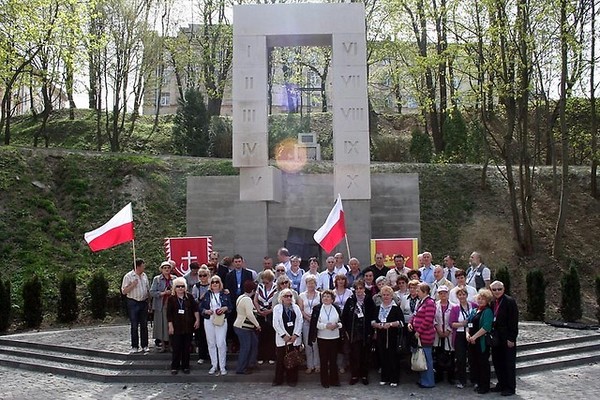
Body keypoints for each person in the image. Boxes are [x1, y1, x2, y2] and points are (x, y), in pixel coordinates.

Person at [342, 279, 375, 385]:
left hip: (366, 331)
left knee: (365, 354)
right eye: (356, 289)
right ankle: (354, 375)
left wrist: (372, 331)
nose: (359, 290)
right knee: (354, 355)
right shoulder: (350, 300)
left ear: (364, 289)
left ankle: (364, 375)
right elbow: (345, 317)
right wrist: (346, 330)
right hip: (354, 332)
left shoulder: (369, 300)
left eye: (361, 288)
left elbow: (373, 315)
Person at [308, 289, 343, 388]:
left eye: (328, 296)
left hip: (334, 337)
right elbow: (315, 324)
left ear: (332, 299)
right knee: (323, 360)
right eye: (324, 296)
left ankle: (334, 380)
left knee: (333, 360)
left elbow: (342, 322)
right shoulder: (317, 308)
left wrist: (336, 325)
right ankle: (324, 381)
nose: (326, 298)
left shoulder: (336, 308)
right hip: (322, 337)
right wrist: (325, 326)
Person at [490, 280, 519, 396]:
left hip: (507, 337)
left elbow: (513, 321)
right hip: (496, 337)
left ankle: (510, 387)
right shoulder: (493, 302)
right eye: (494, 289)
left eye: (499, 289)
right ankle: (501, 384)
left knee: (508, 363)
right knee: (497, 362)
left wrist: (512, 338)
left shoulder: (510, 301)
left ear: (504, 289)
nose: (497, 291)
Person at [372, 285, 405, 387]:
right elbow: (372, 321)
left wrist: (390, 324)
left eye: (388, 295)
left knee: (393, 357)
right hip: (381, 335)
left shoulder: (396, 309)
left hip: (392, 335)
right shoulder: (377, 308)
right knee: (383, 356)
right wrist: (377, 325)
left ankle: (394, 378)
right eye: (384, 295)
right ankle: (384, 377)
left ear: (392, 296)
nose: (386, 297)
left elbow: (401, 323)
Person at [167, 277, 200, 375]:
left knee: (186, 348)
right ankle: (175, 366)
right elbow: (169, 314)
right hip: (176, 326)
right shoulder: (171, 299)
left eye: (182, 286)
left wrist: (197, 320)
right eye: (178, 286)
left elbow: (195, 309)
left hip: (188, 326)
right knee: (176, 347)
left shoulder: (189, 297)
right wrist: (170, 325)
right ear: (174, 288)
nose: (180, 288)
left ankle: (186, 366)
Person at [199, 275, 231, 376]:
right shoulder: (207, 294)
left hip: (221, 319)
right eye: (213, 282)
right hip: (209, 319)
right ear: (210, 284)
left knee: (221, 343)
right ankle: (214, 365)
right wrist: (206, 311)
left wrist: (225, 308)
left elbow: (230, 306)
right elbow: (200, 307)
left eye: (217, 282)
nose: (215, 284)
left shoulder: (225, 294)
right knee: (211, 343)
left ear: (220, 283)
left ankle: (222, 366)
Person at [272, 288, 303, 387]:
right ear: (282, 298)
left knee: (293, 359)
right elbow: (276, 323)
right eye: (286, 296)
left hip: (294, 338)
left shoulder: (296, 307)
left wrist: (295, 335)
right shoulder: (277, 308)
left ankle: (292, 380)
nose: (288, 298)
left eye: (290, 296)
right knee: (281, 359)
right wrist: (284, 335)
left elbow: (300, 321)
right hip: (283, 339)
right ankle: (278, 380)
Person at [408, 282, 436, 389]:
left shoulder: (429, 303)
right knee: (420, 357)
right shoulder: (421, 302)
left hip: (426, 335)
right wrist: (411, 323)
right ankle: (423, 379)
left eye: (418, 291)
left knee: (426, 358)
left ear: (424, 292)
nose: (416, 292)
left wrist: (419, 331)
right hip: (418, 335)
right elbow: (415, 314)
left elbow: (428, 319)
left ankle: (428, 381)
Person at [466, 288, 494, 394]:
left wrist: (475, 337)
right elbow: (468, 323)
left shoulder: (487, 311)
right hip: (471, 341)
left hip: (481, 341)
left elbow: (486, 326)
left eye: (483, 299)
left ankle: (484, 386)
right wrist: (468, 335)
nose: (480, 301)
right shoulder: (474, 310)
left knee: (483, 363)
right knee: (474, 362)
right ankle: (477, 382)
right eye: (479, 298)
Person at [449, 286, 477, 389]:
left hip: (472, 334)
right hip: (460, 335)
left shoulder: (473, 306)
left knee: (473, 358)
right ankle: (462, 381)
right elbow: (452, 324)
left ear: (467, 295)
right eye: (459, 295)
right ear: (457, 296)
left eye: (463, 294)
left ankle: (475, 380)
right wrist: (462, 323)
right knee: (460, 359)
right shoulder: (455, 308)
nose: (462, 296)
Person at [121, 259, 150, 354]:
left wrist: (149, 302)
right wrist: (132, 285)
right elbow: (124, 291)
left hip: (143, 302)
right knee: (134, 325)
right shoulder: (128, 276)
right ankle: (134, 346)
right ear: (137, 266)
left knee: (144, 325)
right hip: (133, 302)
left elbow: (147, 289)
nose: (144, 267)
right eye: (143, 265)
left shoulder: (144, 275)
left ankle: (145, 345)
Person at [233, 280, 261, 375]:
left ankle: (251, 363)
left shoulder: (241, 297)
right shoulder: (247, 299)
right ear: (253, 290)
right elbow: (249, 314)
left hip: (243, 326)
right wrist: (257, 325)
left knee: (254, 343)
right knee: (246, 347)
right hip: (243, 326)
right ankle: (241, 368)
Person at [150, 261, 176, 353]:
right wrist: (163, 293)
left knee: (171, 325)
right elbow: (152, 292)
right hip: (160, 305)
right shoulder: (157, 279)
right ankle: (163, 345)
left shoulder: (174, 278)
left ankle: (171, 345)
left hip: (172, 305)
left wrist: (172, 292)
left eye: (168, 268)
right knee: (161, 325)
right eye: (165, 268)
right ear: (161, 269)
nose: (167, 269)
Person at [298, 275, 321, 374]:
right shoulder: (301, 295)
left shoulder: (320, 294)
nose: (310, 285)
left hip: (317, 322)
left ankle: (317, 365)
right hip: (306, 322)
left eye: (312, 283)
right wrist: (307, 318)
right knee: (307, 344)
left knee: (316, 344)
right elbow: (300, 309)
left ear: (315, 284)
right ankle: (309, 365)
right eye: (309, 283)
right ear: (306, 284)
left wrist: (314, 319)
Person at [254, 269, 277, 365]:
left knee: (271, 336)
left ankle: (271, 356)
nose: (264, 283)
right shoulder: (259, 287)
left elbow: (277, 301)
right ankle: (261, 356)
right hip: (261, 314)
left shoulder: (276, 288)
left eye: (266, 282)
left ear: (271, 280)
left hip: (271, 314)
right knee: (261, 336)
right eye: (263, 281)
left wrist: (270, 311)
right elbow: (255, 300)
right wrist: (259, 310)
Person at [433, 285, 455, 384]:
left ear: (448, 294)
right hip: (438, 333)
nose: (443, 295)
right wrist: (438, 329)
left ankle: (451, 377)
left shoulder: (454, 306)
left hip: (449, 334)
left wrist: (448, 330)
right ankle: (439, 376)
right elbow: (433, 319)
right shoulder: (434, 305)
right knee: (438, 355)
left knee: (450, 355)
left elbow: (454, 319)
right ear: (438, 294)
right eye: (441, 293)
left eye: (444, 293)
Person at [333, 274, 352, 374]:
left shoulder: (349, 292)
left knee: (346, 343)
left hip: (347, 320)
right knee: (337, 343)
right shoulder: (332, 292)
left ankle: (347, 363)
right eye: (338, 280)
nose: (340, 281)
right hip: (336, 320)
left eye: (342, 280)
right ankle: (339, 365)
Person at [191, 266, 211, 364]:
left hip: (211, 312)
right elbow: (193, 300)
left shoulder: (213, 284)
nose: (202, 277)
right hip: (200, 313)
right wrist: (200, 298)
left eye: (204, 275)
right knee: (201, 335)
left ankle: (212, 355)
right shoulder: (196, 286)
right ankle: (202, 355)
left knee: (211, 335)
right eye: (200, 276)